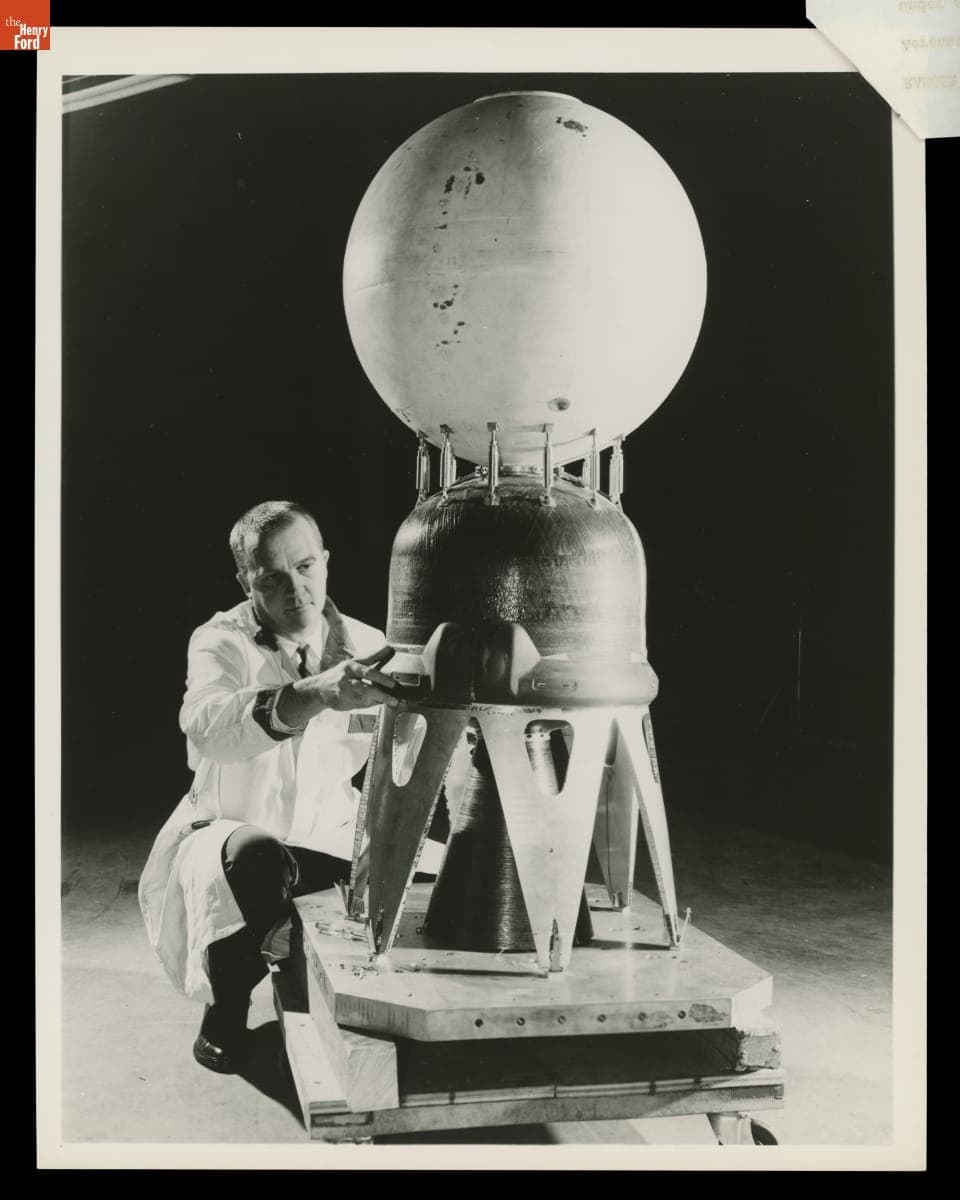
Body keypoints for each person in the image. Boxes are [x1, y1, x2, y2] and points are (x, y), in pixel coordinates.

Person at [138, 500, 403, 1074]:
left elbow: (404, 749)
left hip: (328, 840)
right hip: (233, 837)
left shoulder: (367, 643)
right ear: (245, 581)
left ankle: (322, 992)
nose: (297, 589)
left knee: (429, 877)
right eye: (273, 578)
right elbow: (206, 727)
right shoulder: (219, 641)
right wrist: (317, 694)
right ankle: (229, 1007)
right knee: (257, 862)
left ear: (326, 561)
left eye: (306, 567)